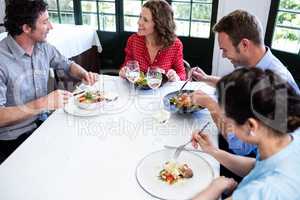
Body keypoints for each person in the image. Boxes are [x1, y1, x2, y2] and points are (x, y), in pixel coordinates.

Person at [190, 9, 300, 155]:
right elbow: (238, 88)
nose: (223, 56)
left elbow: (240, 147)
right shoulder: (253, 63)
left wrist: (212, 106)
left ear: (244, 45)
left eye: (225, 50)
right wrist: (206, 78)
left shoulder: (277, 83)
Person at [0, 0, 98, 162]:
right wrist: (43, 103)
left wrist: (84, 74)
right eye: (45, 22)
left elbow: (66, 64)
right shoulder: (2, 60)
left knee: (85, 145)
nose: (51, 27)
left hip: (43, 122)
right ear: (26, 28)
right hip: (14, 137)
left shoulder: (42, 46)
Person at [191, 68, 300, 200]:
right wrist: (213, 151)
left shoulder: (263, 191)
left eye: (228, 119)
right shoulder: (284, 137)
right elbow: (258, 166)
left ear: (251, 125)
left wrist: (215, 187)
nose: (224, 122)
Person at [119, 0, 186, 81]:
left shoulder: (175, 45)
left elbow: (182, 74)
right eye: (140, 17)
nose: (139, 22)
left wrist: (176, 77)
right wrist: (124, 71)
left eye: (145, 20)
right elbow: (127, 66)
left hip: (163, 92)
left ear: (159, 24)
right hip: (138, 92)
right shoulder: (133, 40)